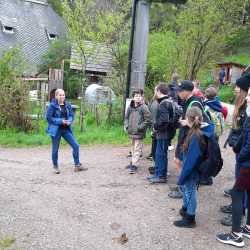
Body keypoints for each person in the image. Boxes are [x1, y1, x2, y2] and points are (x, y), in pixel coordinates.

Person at [216, 75, 250, 248]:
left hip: (246, 164)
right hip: (245, 159)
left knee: (237, 193)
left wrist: (240, 152)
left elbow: (248, 140)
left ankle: (236, 235)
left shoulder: (247, 110)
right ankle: (248, 228)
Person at [169, 80, 212, 199]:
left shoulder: (194, 103)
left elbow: (200, 124)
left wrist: (186, 123)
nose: (178, 93)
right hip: (186, 136)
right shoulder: (187, 101)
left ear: (186, 91)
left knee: (182, 162)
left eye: (180, 91)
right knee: (179, 161)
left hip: (190, 139)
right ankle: (181, 186)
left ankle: (183, 188)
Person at [173, 106, 214, 228]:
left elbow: (191, 160)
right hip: (196, 167)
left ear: (188, 118)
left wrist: (182, 176)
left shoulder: (196, 136)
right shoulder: (202, 128)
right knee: (188, 189)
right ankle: (185, 209)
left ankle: (190, 218)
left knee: (190, 191)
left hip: (193, 169)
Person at [46, 89, 87, 174]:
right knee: (55, 149)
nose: (62, 97)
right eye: (60, 95)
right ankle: (55, 167)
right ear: (56, 96)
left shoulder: (67, 104)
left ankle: (77, 165)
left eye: (63, 95)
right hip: (56, 130)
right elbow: (49, 118)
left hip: (66, 129)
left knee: (76, 145)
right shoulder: (52, 105)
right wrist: (61, 121)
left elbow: (71, 115)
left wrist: (69, 121)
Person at [147, 83, 177, 184]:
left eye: (156, 91)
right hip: (167, 133)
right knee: (160, 154)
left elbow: (164, 120)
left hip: (163, 134)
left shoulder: (164, 103)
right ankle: (158, 173)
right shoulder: (170, 101)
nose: (155, 92)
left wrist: (156, 127)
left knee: (160, 155)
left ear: (159, 91)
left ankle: (161, 176)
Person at [125, 89, 151, 174]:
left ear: (142, 97)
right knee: (132, 148)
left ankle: (135, 165)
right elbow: (126, 118)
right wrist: (126, 126)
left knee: (137, 148)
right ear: (133, 97)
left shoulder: (144, 107)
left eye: (139, 96)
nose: (137, 98)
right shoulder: (130, 106)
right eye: (136, 96)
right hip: (131, 131)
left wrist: (140, 127)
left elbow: (148, 119)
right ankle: (132, 162)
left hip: (139, 132)